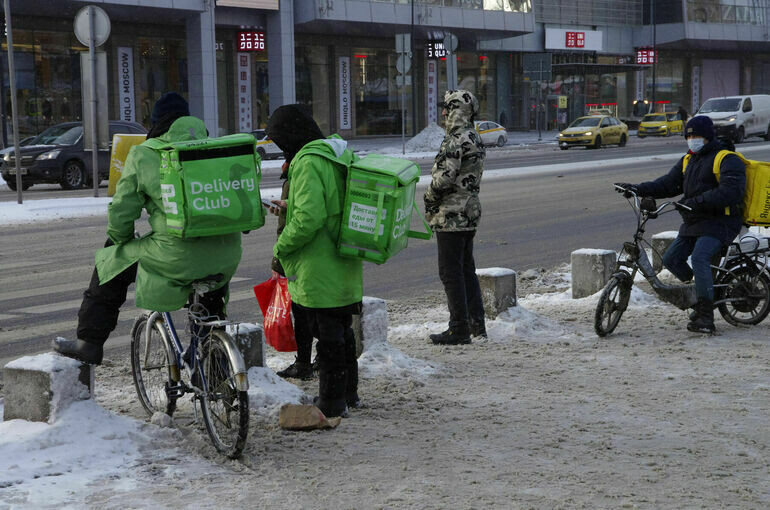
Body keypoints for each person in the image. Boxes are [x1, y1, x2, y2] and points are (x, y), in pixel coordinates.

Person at [53, 92, 242, 364]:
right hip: (227, 253)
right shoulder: (215, 149)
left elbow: (123, 209)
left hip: (175, 255)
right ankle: (215, 360)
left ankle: (89, 342)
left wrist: (119, 241)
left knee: (110, 265)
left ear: (156, 123)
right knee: (209, 290)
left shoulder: (145, 153)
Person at [266, 104, 363, 418]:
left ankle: (332, 402)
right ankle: (349, 394)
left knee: (328, 333)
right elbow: (329, 199)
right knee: (342, 328)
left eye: (280, 139)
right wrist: (289, 205)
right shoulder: (334, 153)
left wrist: (282, 245)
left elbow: (309, 219)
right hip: (344, 254)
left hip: (319, 261)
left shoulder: (307, 162)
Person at [615, 115, 746, 334]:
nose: (692, 139)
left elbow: (731, 191)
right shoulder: (689, 159)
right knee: (670, 259)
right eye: (689, 136)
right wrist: (638, 188)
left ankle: (705, 316)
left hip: (721, 221)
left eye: (696, 136)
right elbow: (668, 184)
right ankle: (701, 291)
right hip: (695, 219)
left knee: (700, 257)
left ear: (707, 136)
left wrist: (696, 202)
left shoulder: (727, 159)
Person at [424, 89, 486, 345]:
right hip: (469, 213)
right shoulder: (474, 136)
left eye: (447, 108)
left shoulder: (455, 140)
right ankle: (476, 324)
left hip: (451, 215)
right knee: (466, 270)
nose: (443, 113)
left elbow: (444, 179)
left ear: (456, 111)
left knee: (451, 273)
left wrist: (428, 197)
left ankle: (458, 328)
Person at [269, 138, 315, 381]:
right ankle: (313, 360)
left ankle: (305, 363)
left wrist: (279, 258)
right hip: (309, 256)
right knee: (315, 314)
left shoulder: (301, 169)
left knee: (305, 312)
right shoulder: (304, 166)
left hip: (301, 257)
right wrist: (285, 206)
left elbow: (297, 223)